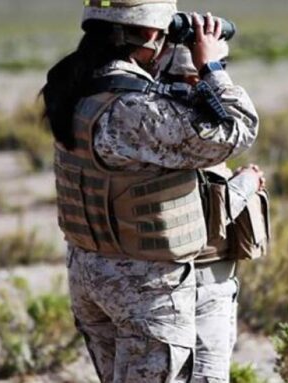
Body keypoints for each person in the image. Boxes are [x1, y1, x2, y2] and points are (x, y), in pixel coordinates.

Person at [40, 1, 263, 382]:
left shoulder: (77, 88)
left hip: (95, 275)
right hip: (145, 288)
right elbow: (236, 130)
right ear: (148, 33)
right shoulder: (134, 110)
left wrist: (178, 61)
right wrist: (212, 67)